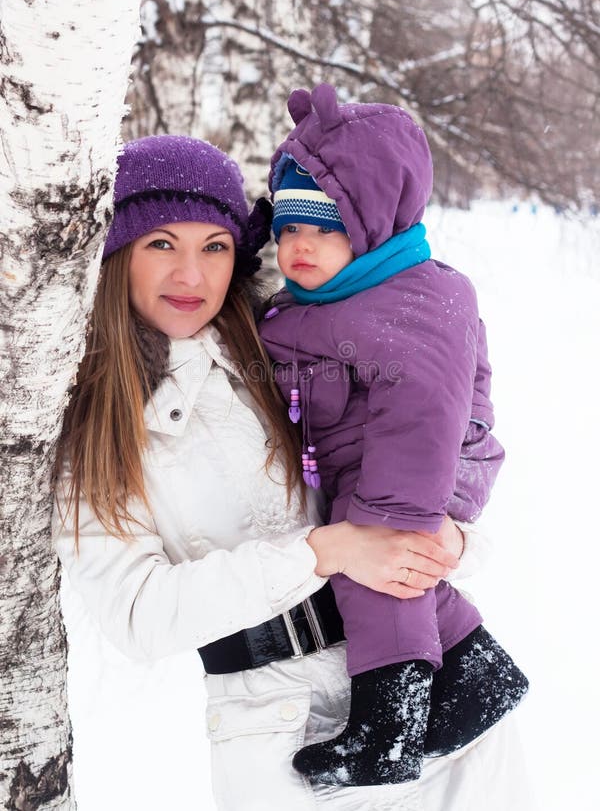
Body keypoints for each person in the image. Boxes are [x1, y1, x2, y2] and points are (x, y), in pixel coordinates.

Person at [53, 134, 532, 811]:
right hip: (285, 740)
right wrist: (321, 553)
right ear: (117, 253)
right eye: (162, 244)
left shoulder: (293, 347)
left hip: (441, 697)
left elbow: (432, 439)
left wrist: (453, 540)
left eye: (214, 247)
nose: (191, 275)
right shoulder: (97, 428)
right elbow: (139, 617)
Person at [259, 84, 528, 788]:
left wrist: (389, 521)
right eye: (287, 230)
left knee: (380, 571)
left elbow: (424, 415)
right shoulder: (325, 301)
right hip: (375, 467)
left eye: (322, 229)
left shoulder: (418, 298)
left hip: (426, 471)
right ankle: (473, 672)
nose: (298, 248)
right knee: (381, 561)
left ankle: (388, 725)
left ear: (374, 223)